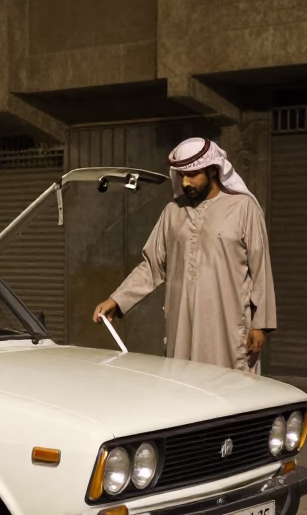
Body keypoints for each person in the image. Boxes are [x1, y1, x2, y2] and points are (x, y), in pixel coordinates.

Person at [92, 137, 277, 373]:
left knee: (230, 392)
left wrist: (259, 325)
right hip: (182, 329)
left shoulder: (243, 208)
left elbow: (261, 268)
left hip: (227, 328)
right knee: (182, 387)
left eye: (193, 175)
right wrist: (116, 299)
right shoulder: (173, 212)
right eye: (181, 176)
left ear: (212, 170)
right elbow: (152, 266)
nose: (186, 182)